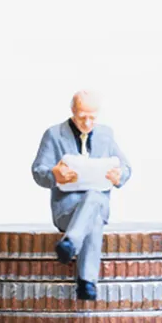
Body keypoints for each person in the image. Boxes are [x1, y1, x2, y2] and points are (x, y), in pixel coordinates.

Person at [30, 91, 132, 300]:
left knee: (94, 197)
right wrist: (54, 175)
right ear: (73, 112)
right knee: (93, 218)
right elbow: (38, 171)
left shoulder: (106, 135)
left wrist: (118, 175)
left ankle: (71, 244)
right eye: (82, 116)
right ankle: (86, 283)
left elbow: (126, 167)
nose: (87, 122)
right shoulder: (54, 135)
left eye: (92, 117)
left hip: (97, 204)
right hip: (67, 210)